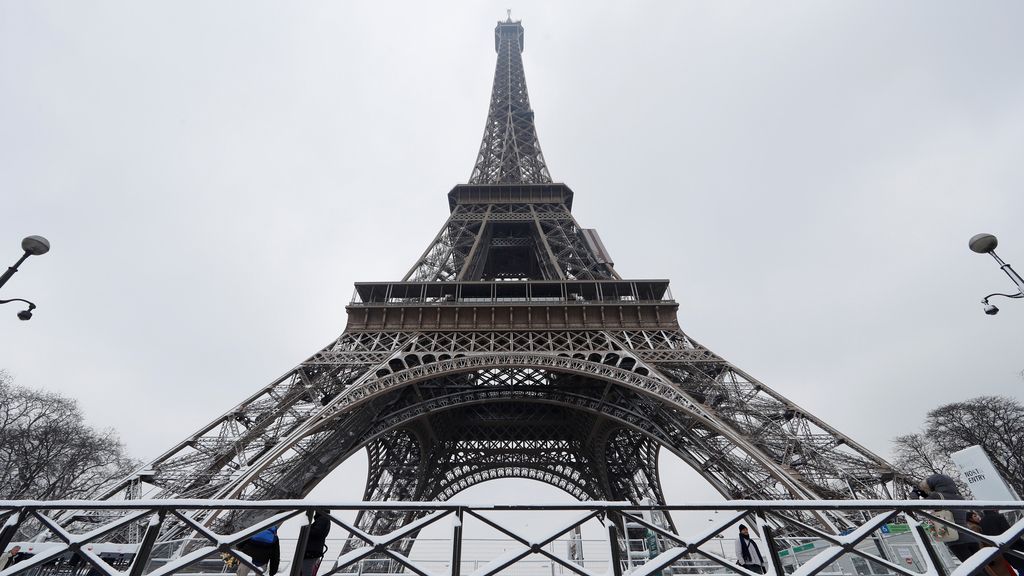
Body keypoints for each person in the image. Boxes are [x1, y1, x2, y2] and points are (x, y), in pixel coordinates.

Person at [918, 474, 979, 563]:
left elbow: (917, 506)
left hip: (956, 540)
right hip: (971, 538)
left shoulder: (937, 496)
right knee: (982, 568)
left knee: (974, 570)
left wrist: (914, 495)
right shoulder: (960, 498)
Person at [980, 510, 1024, 575]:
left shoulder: (982, 522)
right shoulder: (998, 517)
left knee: (1020, 568)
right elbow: (1010, 533)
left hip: (1003, 550)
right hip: (1014, 546)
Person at [300, 511, 332, 576]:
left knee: (306, 572)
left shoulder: (323, 519)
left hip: (311, 552)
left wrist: (306, 529)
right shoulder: (323, 519)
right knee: (307, 571)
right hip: (313, 552)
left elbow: (317, 532)